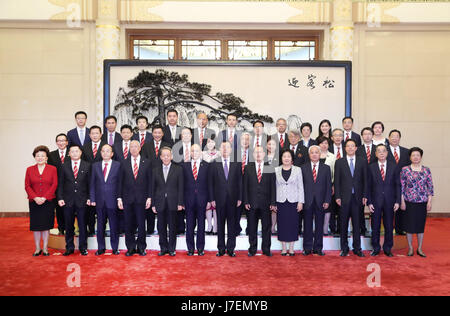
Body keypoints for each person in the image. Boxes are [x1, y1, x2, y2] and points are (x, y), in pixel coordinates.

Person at [118, 141, 152, 256]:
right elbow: (120, 182)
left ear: (139, 148)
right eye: (131, 147)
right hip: (127, 199)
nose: (133, 149)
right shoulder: (123, 163)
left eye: (135, 146)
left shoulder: (147, 162)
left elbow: (150, 182)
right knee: (128, 224)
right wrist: (119, 198)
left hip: (142, 199)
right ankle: (131, 247)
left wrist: (149, 197)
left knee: (142, 224)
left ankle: (142, 247)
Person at [334, 139, 367, 257]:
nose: (350, 148)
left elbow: (365, 181)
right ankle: (344, 248)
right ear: (345, 148)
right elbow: (336, 181)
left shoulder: (362, 162)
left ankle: (357, 248)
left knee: (357, 224)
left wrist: (365, 195)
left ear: (356, 148)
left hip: (358, 198)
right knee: (343, 224)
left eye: (352, 146)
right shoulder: (339, 162)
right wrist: (337, 196)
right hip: (344, 198)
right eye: (348, 146)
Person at [367, 144, 401, 257]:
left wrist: (397, 201)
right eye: (379, 151)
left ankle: (387, 248)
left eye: (384, 151)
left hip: (390, 201)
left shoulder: (394, 166)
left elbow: (398, 185)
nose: (381, 153)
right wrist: (369, 202)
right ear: (376, 154)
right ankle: (376, 248)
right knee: (375, 226)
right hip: (375, 201)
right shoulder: (371, 167)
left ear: (387, 153)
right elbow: (368, 186)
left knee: (389, 226)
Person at [209, 142, 242, 257]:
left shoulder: (236, 163)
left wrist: (240, 198)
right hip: (219, 199)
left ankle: (231, 249)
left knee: (232, 225)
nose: (225, 150)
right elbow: (211, 183)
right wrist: (212, 198)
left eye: (227, 147)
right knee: (220, 225)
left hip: (233, 199)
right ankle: (221, 249)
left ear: (231, 150)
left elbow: (240, 182)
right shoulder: (214, 163)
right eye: (222, 147)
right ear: (219, 149)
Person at [400, 147, 434, 258]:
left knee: (420, 226)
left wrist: (429, 202)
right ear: (410, 157)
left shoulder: (426, 170)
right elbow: (401, 187)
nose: (415, 157)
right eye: (413, 155)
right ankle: (410, 248)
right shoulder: (405, 170)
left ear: (421, 157)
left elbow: (430, 187)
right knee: (409, 226)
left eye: (418, 155)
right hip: (408, 202)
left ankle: (419, 248)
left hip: (422, 202)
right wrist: (402, 202)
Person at [57, 145, 91, 256]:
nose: (75, 153)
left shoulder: (87, 165)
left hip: (83, 200)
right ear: (69, 154)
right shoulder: (63, 166)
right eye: (72, 151)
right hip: (68, 200)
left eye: (77, 151)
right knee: (68, 225)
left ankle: (83, 247)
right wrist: (60, 198)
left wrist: (90, 197)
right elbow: (60, 184)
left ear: (80, 153)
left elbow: (90, 184)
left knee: (82, 225)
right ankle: (69, 247)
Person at [25, 146, 58, 256]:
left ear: (46, 157)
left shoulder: (52, 169)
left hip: (48, 201)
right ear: (34, 157)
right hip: (34, 202)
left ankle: (45, 248)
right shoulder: (29, 169)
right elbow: (27, 186)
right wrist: (35, 197)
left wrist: (44, 197)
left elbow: (54, 184)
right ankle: (37, 248)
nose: (40, 158)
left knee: (46, 226)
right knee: (36, 226)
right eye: (38, 156)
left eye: (42, 156)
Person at [244, 146, 276, 257]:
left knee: (266, 227)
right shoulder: (248, 167)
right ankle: (252, 249)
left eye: (260, 152)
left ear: (264, 154)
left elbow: (273, 186)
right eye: (256, 152)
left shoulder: (270, 167)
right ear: (253, 155)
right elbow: (245, 186)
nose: (258, 154)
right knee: (252, 227)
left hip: (266, 203)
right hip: (251, 203)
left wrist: (273, 202)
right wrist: (246, 201)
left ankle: (266, 249)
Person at [152, 147, 184, 257]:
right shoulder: (155, 170)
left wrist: (180, 203)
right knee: (161, 227)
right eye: (163, 155)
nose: (166, 157)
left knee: (172, 226)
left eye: (168, 155)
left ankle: (171, 248)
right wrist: (153, 204)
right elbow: (152, 188)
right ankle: (163, 248)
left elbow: (181, 187)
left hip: (173, 202)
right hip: (160, 202)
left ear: (171, 156)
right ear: (160, 157)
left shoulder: (178, 169)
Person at [89, 144, 121, 256]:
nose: (106, 153)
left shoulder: (118, 165)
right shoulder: (95, 166)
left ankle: (115, 248)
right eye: (103, 151)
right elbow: (92, 183)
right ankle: (101, 248)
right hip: (99, 201)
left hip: (112, 200)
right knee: (100, 226)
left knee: (114, 225)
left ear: (112, 154)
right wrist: (92, 198)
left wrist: (119, 198)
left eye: (108, 151)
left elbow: (120, 184)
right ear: (101, 153)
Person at [301, 146, 332, 256]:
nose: (314, 154)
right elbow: (300, 186)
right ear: (309, 155)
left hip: (321, 201)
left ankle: (318, 248)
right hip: (307, 200)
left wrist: (327, 200)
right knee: (307, 225)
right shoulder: (303, 168)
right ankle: (307, 248)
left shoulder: (326, 168)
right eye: (312, 153)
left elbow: (329, 186)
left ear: (320, 154)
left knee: (319, 225)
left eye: (316, 153)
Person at [274, 149, 304, 256]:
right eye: (284, 156)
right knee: (282, 224)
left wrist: (301, 202)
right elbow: (274, 187)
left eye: (288, 156)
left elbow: (301, 186)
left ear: (292, 159)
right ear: (281, 158)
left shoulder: (297, 170)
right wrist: (273, 202)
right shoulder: (276, 170)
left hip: (293, 200)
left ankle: (291, 248)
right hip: (281, 201)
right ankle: (283, 248)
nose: (286, 158)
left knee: (293, 224)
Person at [182, 144, 210, 256]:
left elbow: (209, 184)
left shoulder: (207, 166)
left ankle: (200, 248)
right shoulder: (184, 166)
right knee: (189, 225)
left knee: (201, 225)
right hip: (188, 200)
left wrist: (209, 200)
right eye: (192, 151)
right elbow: (182, 185)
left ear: (201, 153)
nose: (194, 153)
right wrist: (181, 201)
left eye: (197, 151)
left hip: (202, 200)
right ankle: (190, 248)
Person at [82, 125, 107, 236]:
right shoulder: (85, 147)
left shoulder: (106, 146)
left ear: (101, 134)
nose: (95, 135)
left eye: (97, 133)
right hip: (88, 181)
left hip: (103, 181)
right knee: (90, 207)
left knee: (103, 207)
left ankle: (103, 229)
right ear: (89, 135)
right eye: (93, 133)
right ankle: (91, 229)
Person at [387, 129, 411, 235]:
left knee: (402, 206)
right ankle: (388, 228)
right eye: (392, 136)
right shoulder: (383, 150)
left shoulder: (406, 151)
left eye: (397, 136)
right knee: (388, 206)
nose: (394, 138)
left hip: (403, 184)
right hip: (387, 183)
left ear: (400, 138)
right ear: (389, 138)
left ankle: (400, 228)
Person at [356, 127, 378, 236]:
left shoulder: (378, 149)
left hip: (375, 181)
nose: (367, 136)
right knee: (360, 205)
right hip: (361, 181)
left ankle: (375, 228)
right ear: (362, 136)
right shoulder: (358, 149)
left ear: (372, 135)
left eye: (369, 134)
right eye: (365, 134)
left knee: (374, 205)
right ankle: (362, 228)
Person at [47, 133, 70, 235]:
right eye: (59, 141)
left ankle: (70, 228)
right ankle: (61, 228)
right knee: (59, 209)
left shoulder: (72, 153)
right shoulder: (51, 155)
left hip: (70, 186)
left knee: (70, 209)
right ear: (56, 143)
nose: (61, 142)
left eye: (63, 140)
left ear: (67, 142)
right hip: (57, 187)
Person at [317, 136, 337, 236]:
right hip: (315, 186)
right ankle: (316, 228)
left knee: (327, 207)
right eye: (321, 143)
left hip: (328, 186)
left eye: (326, 143)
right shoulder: (314, 154)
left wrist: (333, 185)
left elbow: (335, 172)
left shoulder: (332, 156)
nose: (324, 145)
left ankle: (325, 228)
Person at [202, 138, 220, 235]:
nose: (210, 144)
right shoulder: (202, 153)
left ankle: (216, 227)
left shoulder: (219, 153)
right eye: (208, 142)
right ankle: (209, 226)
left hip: (216, 180)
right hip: (204, 180)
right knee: (207, 204)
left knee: (215, 205)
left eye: (212, 141)